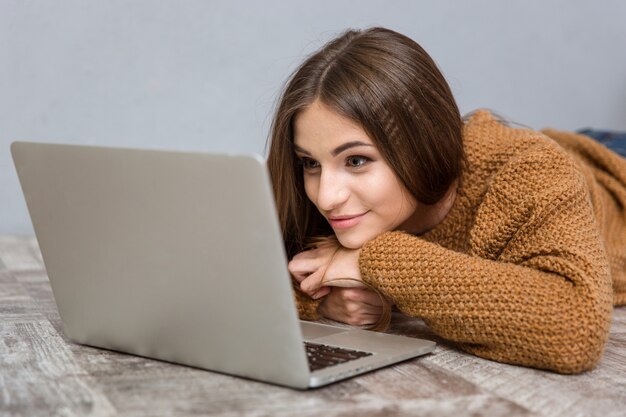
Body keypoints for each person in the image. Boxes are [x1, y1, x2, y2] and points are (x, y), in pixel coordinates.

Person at [265, 27, 626, 374]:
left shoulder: (528, 171)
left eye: (356, 160)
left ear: (419, 146)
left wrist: (376, 261)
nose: (326, 197)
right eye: (310, 162)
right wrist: (323, 299)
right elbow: (244, 276)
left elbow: (573, 328)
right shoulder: (319, 192)